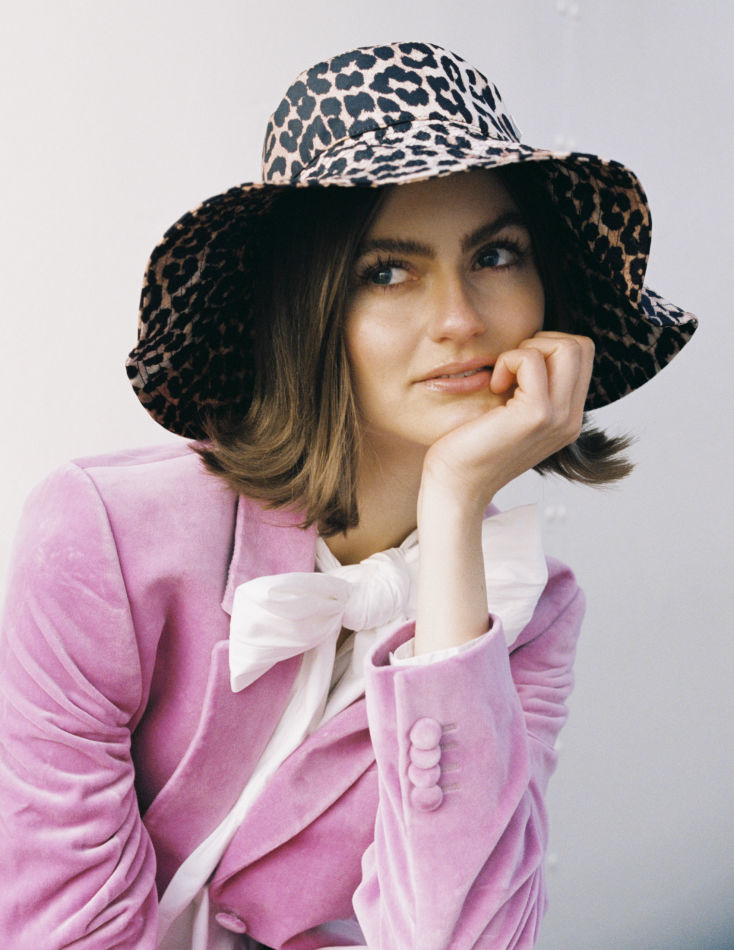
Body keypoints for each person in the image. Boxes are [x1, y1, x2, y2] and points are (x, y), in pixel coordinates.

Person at [0, 41, 696, 950]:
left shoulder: (527, 610)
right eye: (387, 271)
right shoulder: (102, 538)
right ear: (309, 304)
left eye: (495, 255)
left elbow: (465, 938)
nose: (462, 319)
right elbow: (62, 926)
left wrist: (453, 511)